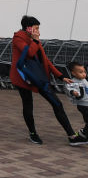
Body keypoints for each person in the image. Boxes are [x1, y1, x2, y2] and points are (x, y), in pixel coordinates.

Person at [10, 15, 87, 145]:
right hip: (23, 78)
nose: (38, 31)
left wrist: (61, 76)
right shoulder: (19, 38)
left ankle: (71, 136)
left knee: (57, 104)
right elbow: (29, 53)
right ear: (28, 28)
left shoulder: (34, 39)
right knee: (28, 104)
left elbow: (45, 60)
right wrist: (35, 41)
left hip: (39, 77)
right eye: (36, 28)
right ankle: (33, 133)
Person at [65, 61, 88, 137]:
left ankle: (84, 132)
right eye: (81, 72)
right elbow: (68, 88)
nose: (84, 74)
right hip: (83, 105)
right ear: (73, 73)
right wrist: (73, 92)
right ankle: (84, 134)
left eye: (84, 71)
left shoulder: (84, 80)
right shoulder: (73, 81)